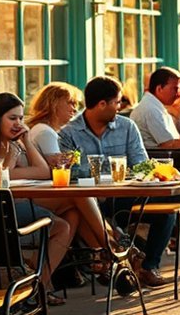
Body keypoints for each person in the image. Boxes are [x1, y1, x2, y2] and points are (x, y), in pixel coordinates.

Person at [58, 76, 174, 289]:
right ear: (102, 104)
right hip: (89, 200)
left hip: (123, 197)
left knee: (166, 213)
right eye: (117, 102)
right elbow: (69, 173)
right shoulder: (68, 133)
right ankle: (119, 253)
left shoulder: (127, 126)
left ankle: (147, 267)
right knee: (84, 207)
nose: (120, 107)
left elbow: (141, 164)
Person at [0, 92, 73, 305]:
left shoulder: (15, 142)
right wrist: (12, 159)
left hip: (22, 203)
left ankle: (40, 284)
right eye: (12, 118)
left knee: (73, 213)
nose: (18, 123)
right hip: (1, 213)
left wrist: (26, 140)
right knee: (69, 217)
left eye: (21, 118)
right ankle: (110, 250)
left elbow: (42, 172)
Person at [26, 82, 123, 272]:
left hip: (42, 194)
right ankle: (111, 246)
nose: (75, 108)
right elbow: (60, 173)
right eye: (70, 103)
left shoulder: (49, 131)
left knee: (73, 215)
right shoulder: (45, 132)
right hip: (33, 196)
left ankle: (44, 280)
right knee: (80, 194)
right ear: (54, 104)